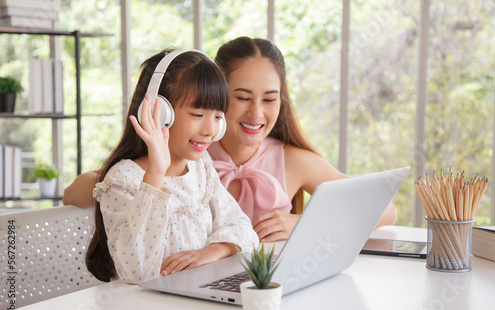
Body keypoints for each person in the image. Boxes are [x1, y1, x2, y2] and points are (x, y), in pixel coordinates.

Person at [64, 37, 397, 243]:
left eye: (270, 99)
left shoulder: (293, 160)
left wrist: (302, 223)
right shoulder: (192, 151)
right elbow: (74, 193)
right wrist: (134, 182)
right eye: (241, 97)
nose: (257, 113)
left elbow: (386, 211)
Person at [85, 49, 258, 284]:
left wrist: (210, 252)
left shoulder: (200, 168)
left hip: (192, 297)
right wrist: (155, 173)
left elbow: (242, 228)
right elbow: (136, 271)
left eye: (218, 117)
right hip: (144, 309)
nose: (210, 130)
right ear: (160, 112)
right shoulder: (124, 179)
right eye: (198, 114)